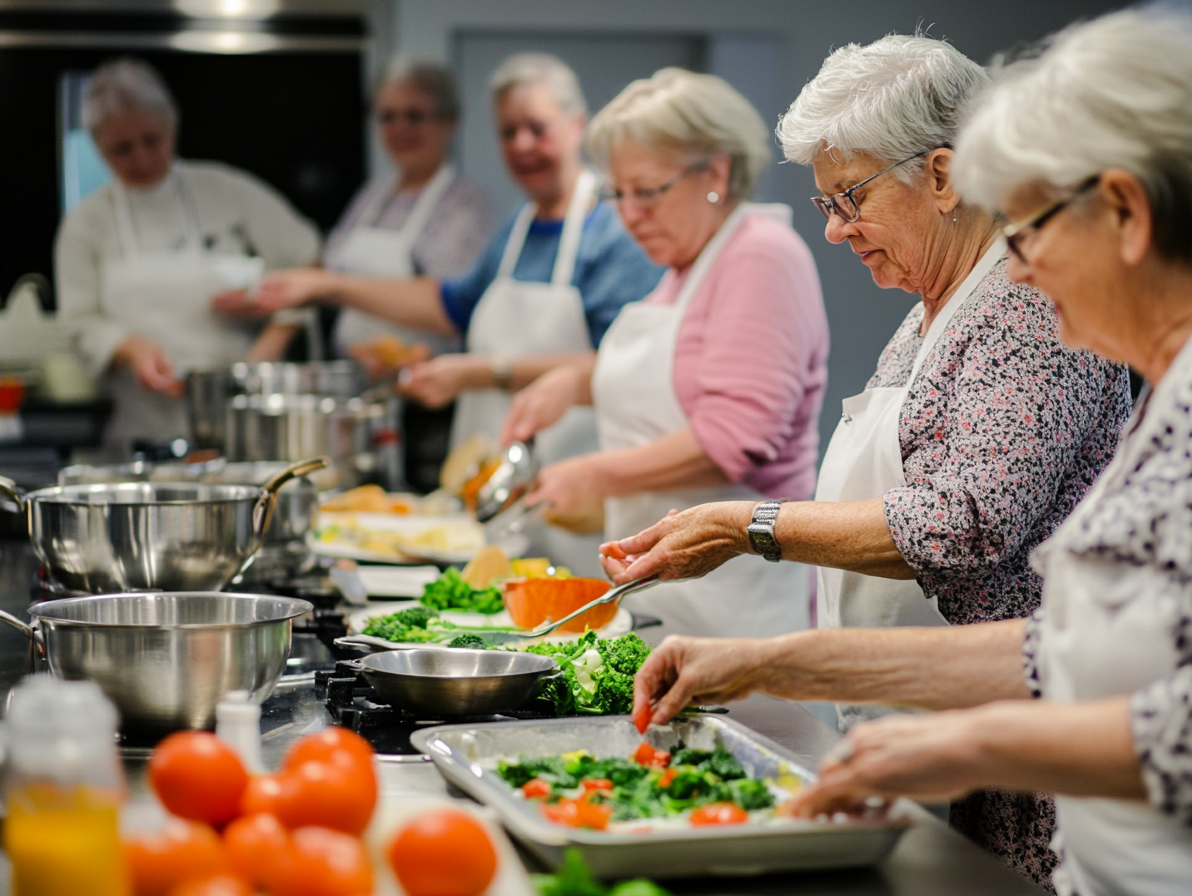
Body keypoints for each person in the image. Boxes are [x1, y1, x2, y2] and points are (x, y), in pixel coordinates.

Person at [632, 12, 1192, 896]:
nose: (1019, 267)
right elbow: (1071, 651)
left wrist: (968, 741)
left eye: (1030, 225)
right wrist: (773, 662)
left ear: (1124, 211)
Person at [598, 37, 1131, 887]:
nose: (837, 229)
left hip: (1021, 768)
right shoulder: (931, 309)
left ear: (945, 177)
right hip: (930, 728)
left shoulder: (1027, 306)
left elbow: (962, 522)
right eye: (824, 205)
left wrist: (750, 525)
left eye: (850, 197)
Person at [502, 69, 828, 641]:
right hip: (670, 591)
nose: (629, 215)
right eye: (617, 194)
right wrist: (572, 382)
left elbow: (736, 439)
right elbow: (684, 372)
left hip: (735, 601)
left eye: (648, 191)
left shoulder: (760, 255)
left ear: (717, 173)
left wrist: (592, 474)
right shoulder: (686, 267)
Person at [245, 53, 663, 466]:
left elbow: (618, 362)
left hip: (576, 468)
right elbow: (453, 305)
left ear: (577, 125)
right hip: (493, 462)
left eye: (537, 128)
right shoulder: (519, 222)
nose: (522, 145)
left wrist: (477, 373)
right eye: (508, 131)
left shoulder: (613, 227)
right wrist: (328, 287)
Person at [55, 57, 320, 457]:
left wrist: (269, 342)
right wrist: (131, 349)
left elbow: (309, 264)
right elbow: (79, 323)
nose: (142, 159)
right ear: (97, 146)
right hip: (142, 431)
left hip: (242, 422)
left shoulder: (228, 191)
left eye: (152, 140)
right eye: (122, 149)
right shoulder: (86, 223)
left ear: (173, 125)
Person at [255, 59, 492, 365]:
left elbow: (449, 303)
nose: (400, 129)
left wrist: (332, 287)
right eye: (387, 117)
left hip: (424, 385)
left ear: (449, 121)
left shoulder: (464, 203)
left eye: (414, 116)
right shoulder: (374, 195)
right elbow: (329, 266)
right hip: (354, 373)